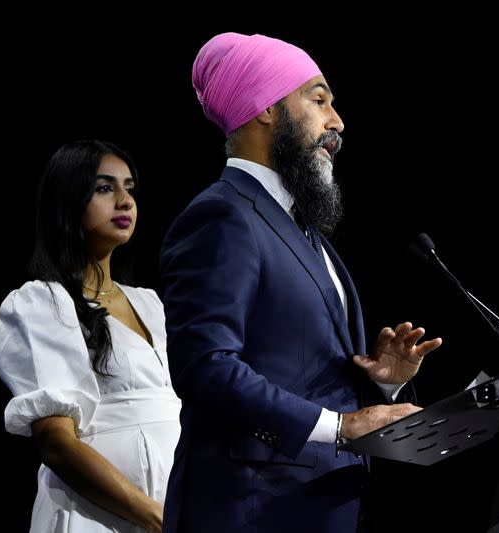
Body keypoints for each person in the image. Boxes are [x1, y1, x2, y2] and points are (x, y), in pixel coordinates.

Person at [159, 33, 443, 532]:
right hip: (250, 508)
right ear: (266, 107)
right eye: (319, 99)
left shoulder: (305, 232)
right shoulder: (222, 216)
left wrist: (382, 381)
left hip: (321, 506)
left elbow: (304, 372)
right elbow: (204, 367)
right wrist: (341, 426)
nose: (338, 122)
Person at [0, 140, 181, 532]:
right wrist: (155, 517)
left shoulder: (149, 303)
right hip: (94, 515)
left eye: (129, 188)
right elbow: (57, 444)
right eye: (104, 188)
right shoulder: (43, 302)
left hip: (172, 501)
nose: (124, 201)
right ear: (68, 201)